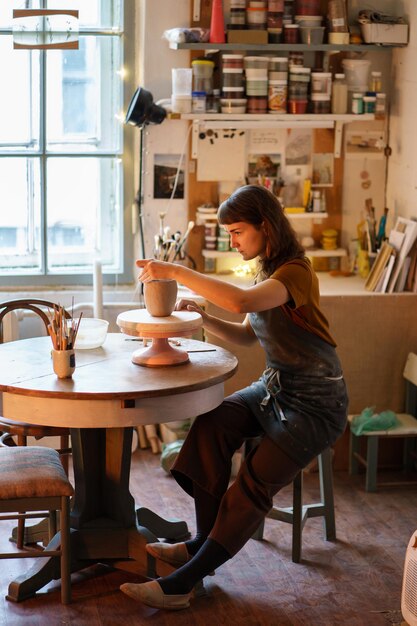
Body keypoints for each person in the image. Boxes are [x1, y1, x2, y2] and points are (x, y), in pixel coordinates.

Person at [120, 184, 348, 610]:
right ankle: (200, 547)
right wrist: (204, 317)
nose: (233, 241)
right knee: (212, 423)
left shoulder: (295, 272)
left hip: (316, 404)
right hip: (278, 386)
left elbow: (242, 300)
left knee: (251, 488)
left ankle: (183, 583)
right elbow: (247, 333)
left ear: (266, 226)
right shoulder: (265, 270)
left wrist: (174, 271)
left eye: (238, 231)